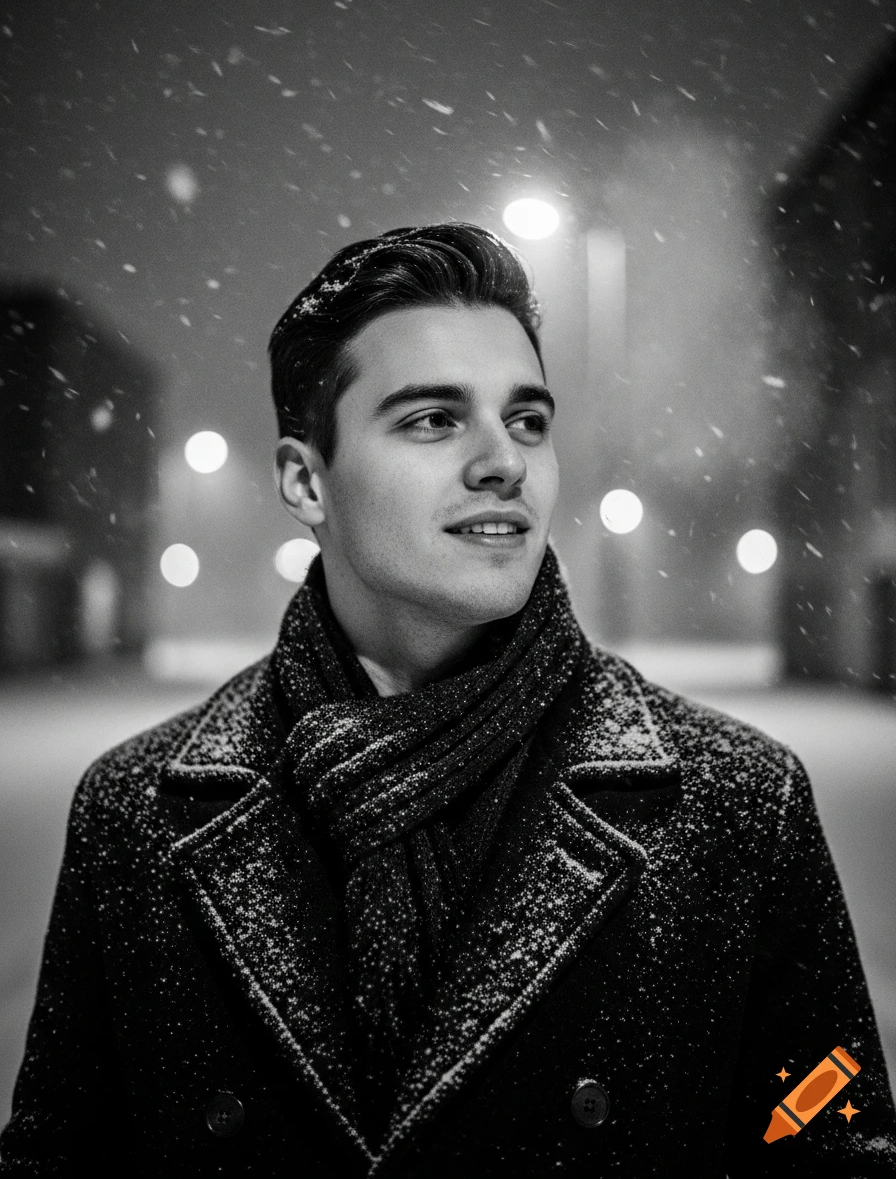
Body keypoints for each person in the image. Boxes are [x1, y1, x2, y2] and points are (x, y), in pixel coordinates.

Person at [2, 223, 894, 1177]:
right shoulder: (138, 815)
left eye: (528, 420)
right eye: (434, 420)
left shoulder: (734, 806)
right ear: (306, 479)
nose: (503, 462)